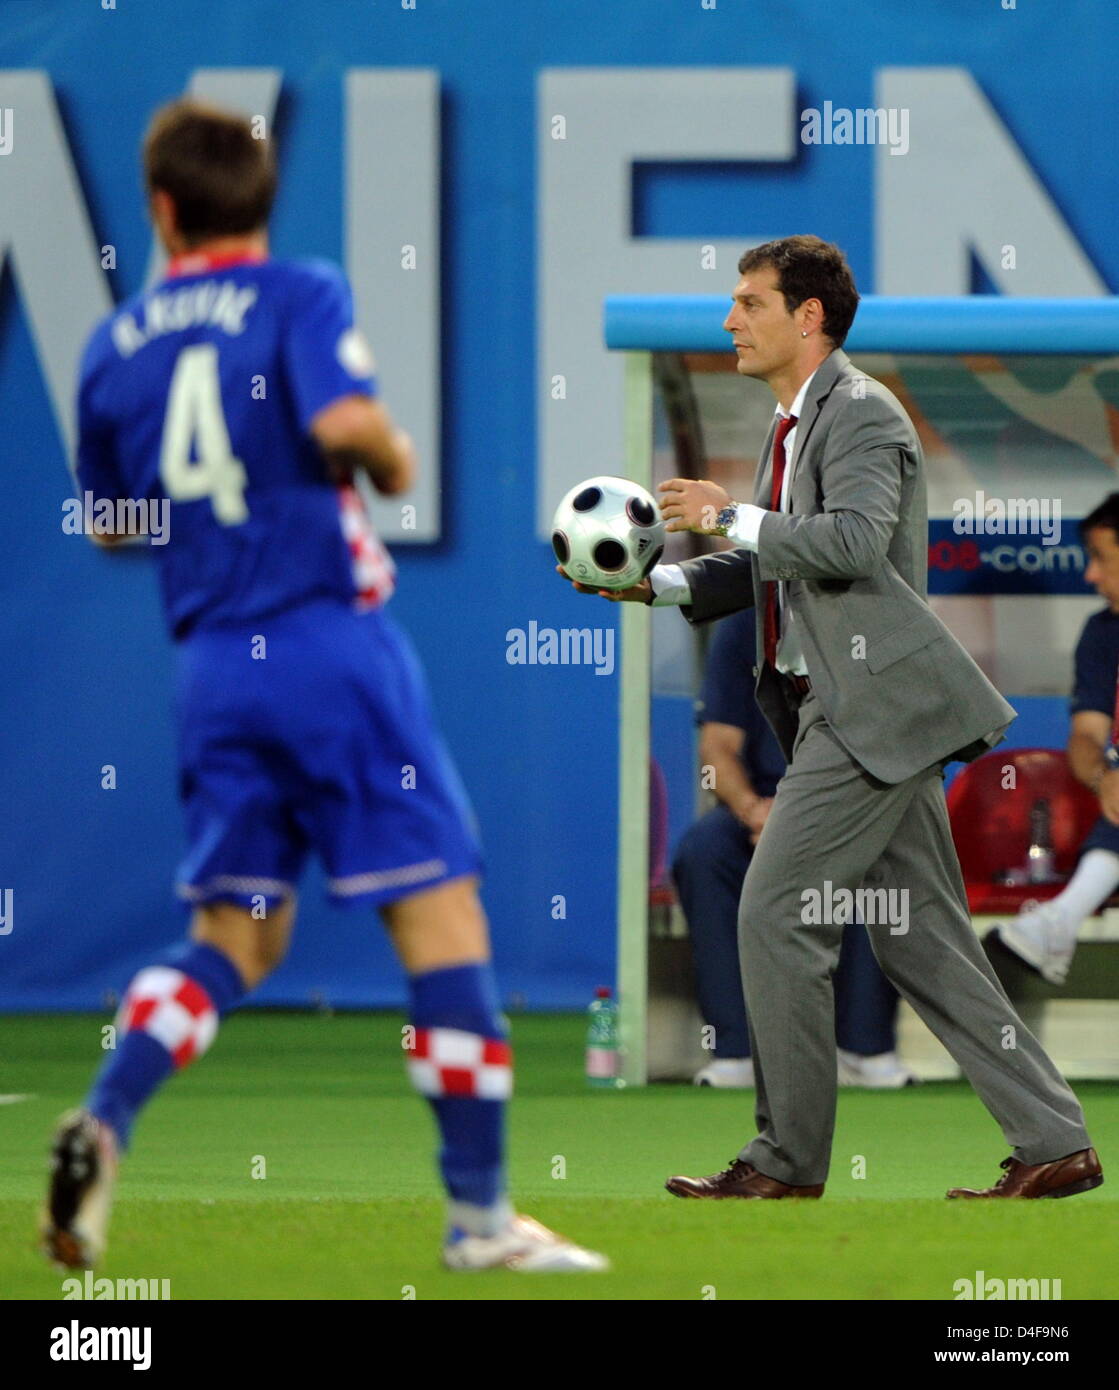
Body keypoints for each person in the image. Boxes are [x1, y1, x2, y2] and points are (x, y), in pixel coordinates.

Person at [44, 98, 605, 1274]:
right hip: (324, 647)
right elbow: (352, 425)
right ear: (259, 199)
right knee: (439, 912)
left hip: (210, 668)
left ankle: (105, 1118)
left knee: (236, 936)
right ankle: (480, 1219)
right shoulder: (296, 295)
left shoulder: (116, 344)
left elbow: (106, 523)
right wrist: (392, 453)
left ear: (160, 209)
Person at [565, 235, 1101, 1201]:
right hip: (856, 714)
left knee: (773, 914)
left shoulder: (859, 415)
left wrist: (728, 515)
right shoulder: (797, 423)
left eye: (748, 301)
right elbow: (781, 559)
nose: (729, 318)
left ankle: (783, 1163)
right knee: (920, 938)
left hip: (863, 717)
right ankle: (1054, 1141)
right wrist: (658, 587)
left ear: (806, 316)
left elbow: (849, 543)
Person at [676, 606, 915, 1089]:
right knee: (704, 852)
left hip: (855, 805)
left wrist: (812, 819)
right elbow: (717, 746)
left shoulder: (880, 623)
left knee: (890, 853)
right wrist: (752, 809)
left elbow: (898, 744)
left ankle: (864, 1046)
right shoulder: (746, 626)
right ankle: (736, 1052)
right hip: (763, 808)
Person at [990, 492, 1119, 983]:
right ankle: (1060, 922)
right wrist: (1108, 778)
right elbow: (1088, 737)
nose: (1090, 576)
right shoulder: (1103, 634)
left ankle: (1061, 921)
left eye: (1102, 559)